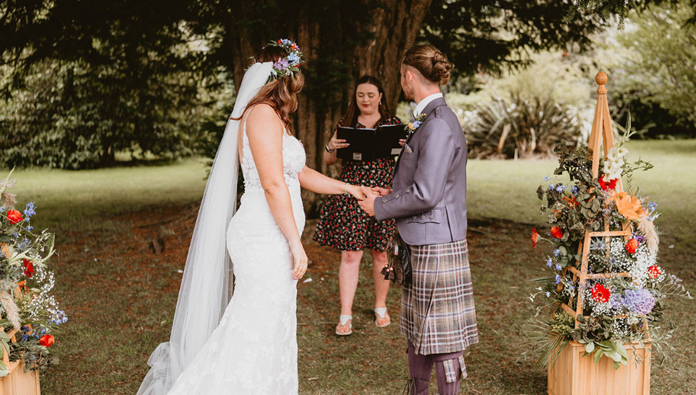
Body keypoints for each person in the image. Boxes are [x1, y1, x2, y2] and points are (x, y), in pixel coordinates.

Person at [137, 40, 364, 395]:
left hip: (274, 235)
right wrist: (294, 241)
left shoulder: (276, 118)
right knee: (255, 322)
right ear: (282, 78)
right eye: (294, 76)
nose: (296, 84)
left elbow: (298, 172)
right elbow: (273, 185)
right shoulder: (259, 115)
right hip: (263, 236)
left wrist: (349, 188)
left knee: (272, 323)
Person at [358, 44, 478, 395]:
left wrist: (379, 209)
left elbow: (427, 194)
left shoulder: (439, 124)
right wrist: (389, 194)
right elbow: (422, 184)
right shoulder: (431, 120)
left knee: (443, 338)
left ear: (409, 76)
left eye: (400, 76)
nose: (401, 83)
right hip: (424, 240)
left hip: (437, 243)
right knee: (419, 332)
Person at [312, 76, 402, 336]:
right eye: (361, 94)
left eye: (371, 94)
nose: (365, 99)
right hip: (352, 195)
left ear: (381, 97)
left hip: (383, 194)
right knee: (350, 255)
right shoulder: (347, 124)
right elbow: (328, 160)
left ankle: (380, 305)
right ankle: (345, 313)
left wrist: (406, 149)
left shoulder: (393, 124)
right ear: (356, 97)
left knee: (381, 253)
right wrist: (330, 146)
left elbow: (408, 161)